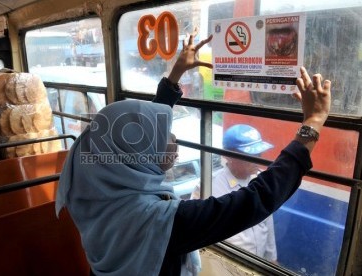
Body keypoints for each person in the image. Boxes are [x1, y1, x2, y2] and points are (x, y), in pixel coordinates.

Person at [55, 29, 331, 276]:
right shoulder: (159, 222)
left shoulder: (92, 193)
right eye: (162, 141)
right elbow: (255, 200)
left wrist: (174, 77)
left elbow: (137, 128)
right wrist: (313, 123)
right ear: (131, 160)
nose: (174, 144)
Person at [191, 124, 277, 262]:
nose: (258, 159)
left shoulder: (262, 182)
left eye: (259, 154)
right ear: (228, 156)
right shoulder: (208, 187)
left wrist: (272, 259)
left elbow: (268, 226)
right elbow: (195, 232)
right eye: (251, 155)